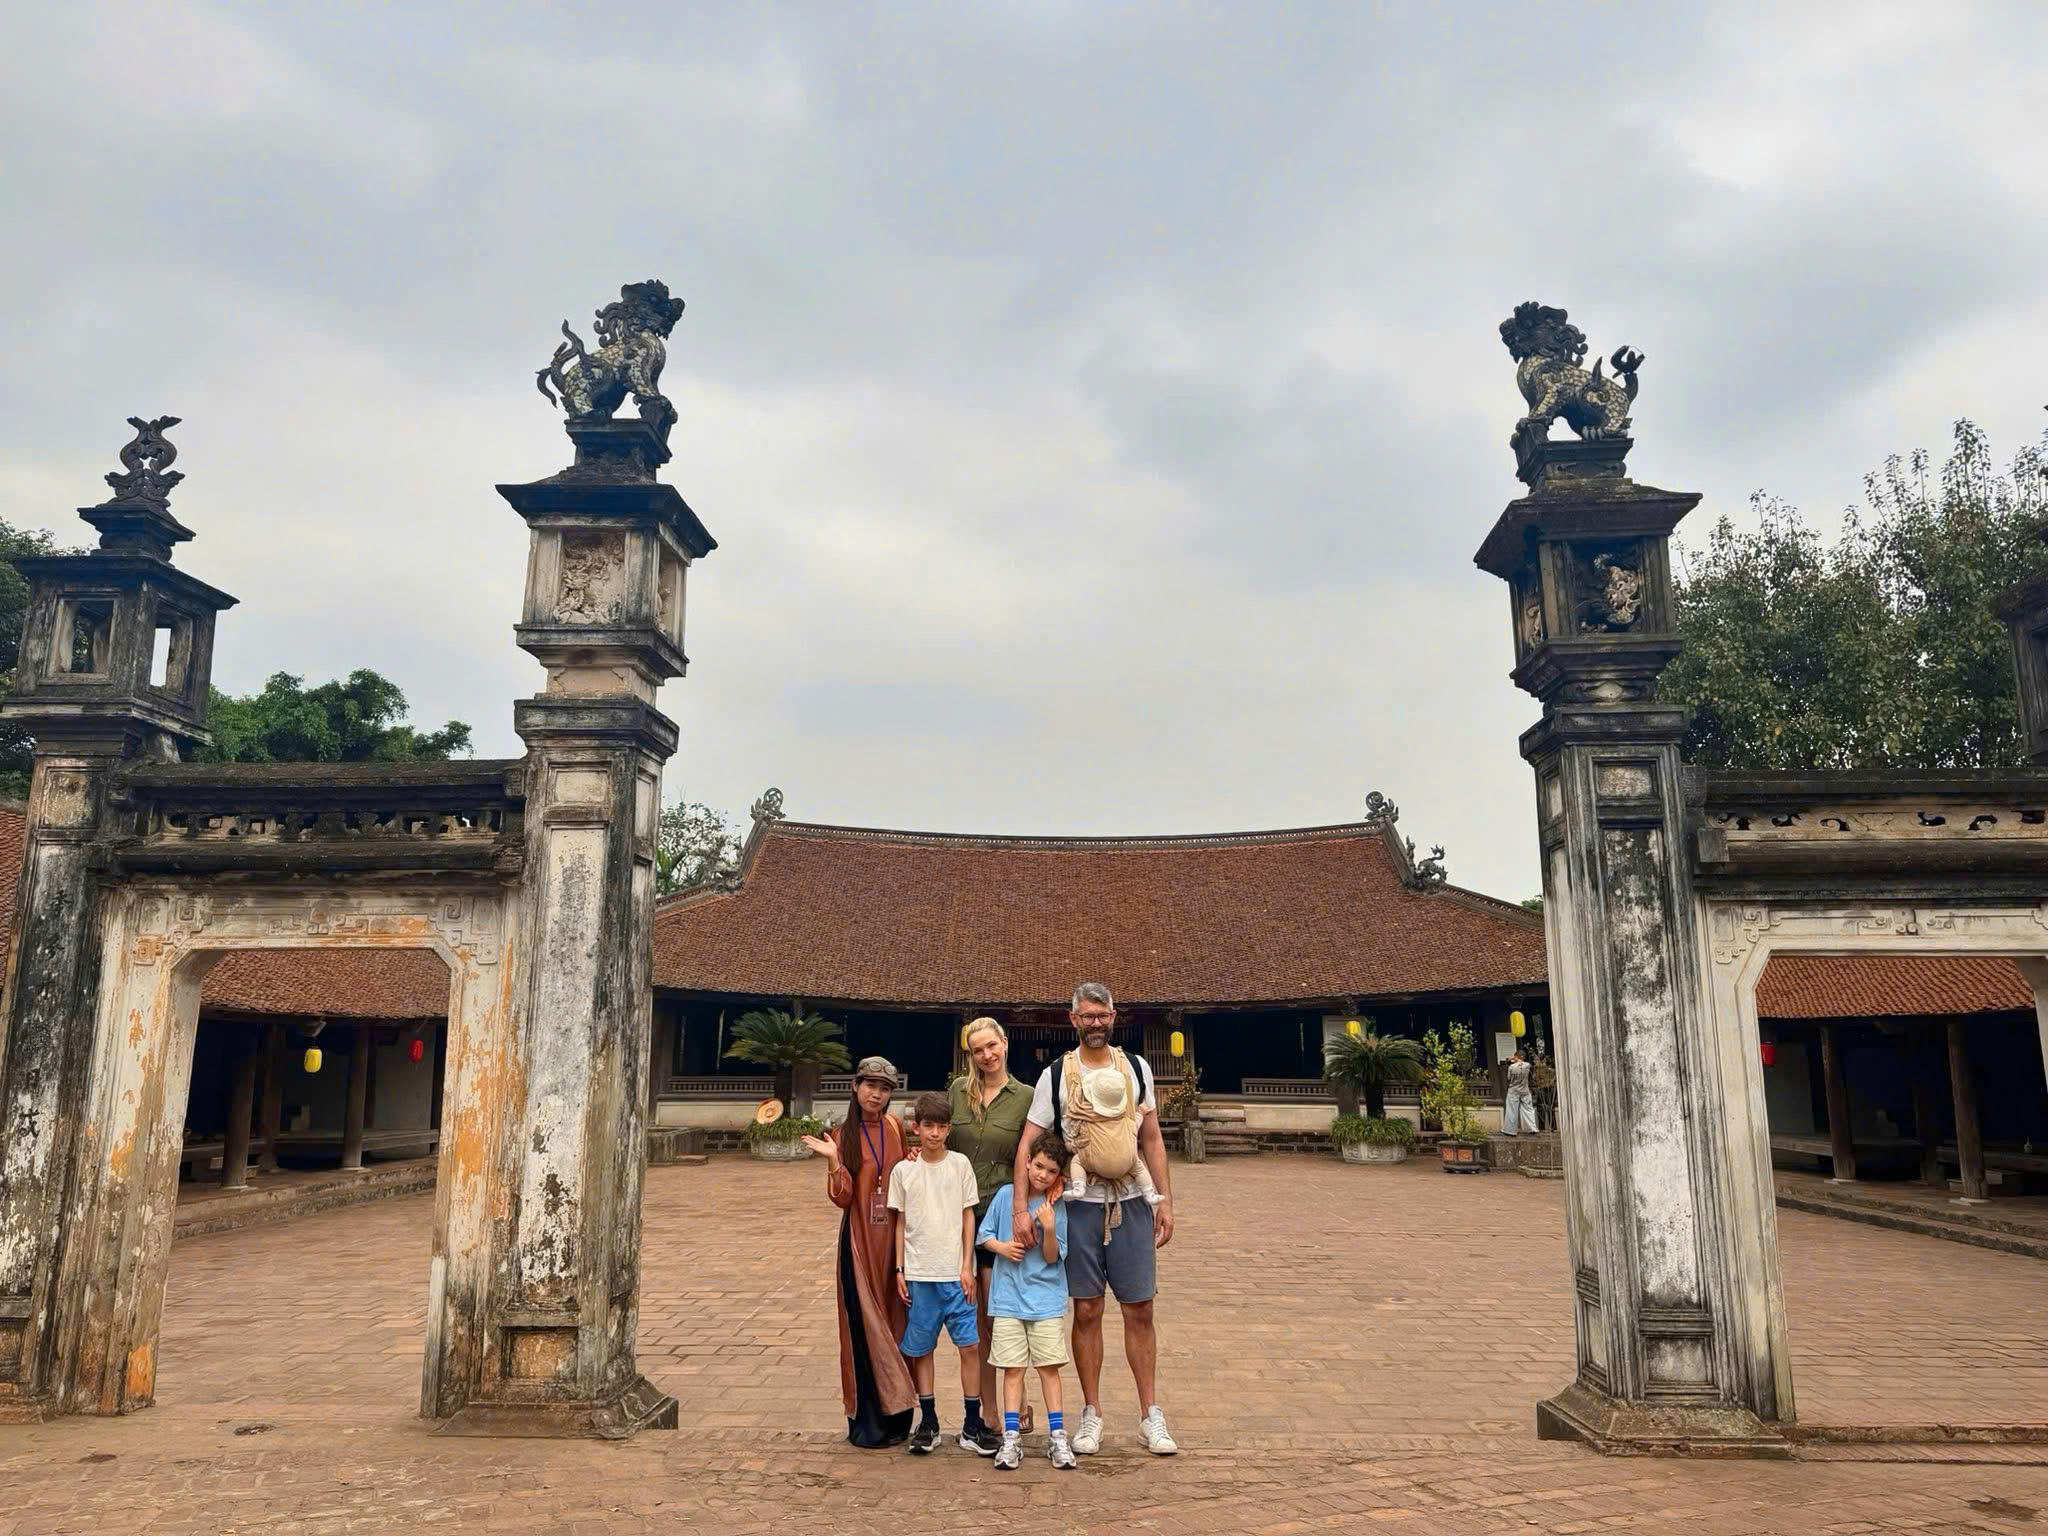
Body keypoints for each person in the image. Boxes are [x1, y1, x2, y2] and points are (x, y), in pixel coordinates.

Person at [1013, 980, 1178, 1457]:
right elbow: (1028, 1143)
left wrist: (1164, 1200)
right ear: (1073, 1019)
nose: (1096, 1023)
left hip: (1132, 1201)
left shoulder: (1137, 1069)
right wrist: (1022, 1207)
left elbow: (1151, 1139)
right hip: (1080, 1206)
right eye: (1087, 1015)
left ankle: (1150, 1413)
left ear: (1114, 1017)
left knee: (1139, 1307)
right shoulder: (1056, 1076)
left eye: (1103, 1015)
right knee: (1086, 1309)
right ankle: (1092, 1412)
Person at [802, 1056, 914, 1448]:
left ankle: (899, 1416)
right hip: (859, 1242)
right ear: (855, 1087)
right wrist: (834, 1160)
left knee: (897, 1322)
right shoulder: (842, 1134)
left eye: (884, 1089)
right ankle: (868, 1423)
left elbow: (903, 1178)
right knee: (862, 1327)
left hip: (895, 1243)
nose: (876, 1094)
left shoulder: (895, 1127)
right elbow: (842, 1197)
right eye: (870, 1086)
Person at [946, 1016, 1036, 1454]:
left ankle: (1020, 1401)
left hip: (1001, 1218)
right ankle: (989, 1411)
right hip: (960, 1217)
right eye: (977, 1049)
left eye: (992, 1046)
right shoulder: (956, 1093)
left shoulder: (1027, 1098)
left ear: (1005, 1043)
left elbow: (1038, 1157)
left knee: (1005, 1317)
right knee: (975, 1321)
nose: (986, 1055)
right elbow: (942, 1144)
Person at [888, 1090, 981, 1454]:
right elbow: (900, 1222)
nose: (935, 1133)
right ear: (916, 1128)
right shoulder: (904, 1170)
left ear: (949, 1129)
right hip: (919, 1274)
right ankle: (928, 1421)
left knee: (969, 1346)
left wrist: (967, 1265)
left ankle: (972, 1423)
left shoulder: (960, 1165)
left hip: (956, 1275)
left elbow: (967, 1215)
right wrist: (899, 1269)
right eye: (928, 1125)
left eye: (942, 1126)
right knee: (922, 1349)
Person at [975, 1132, 1075, 1470]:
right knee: (1012, 1369)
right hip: (1008, 1298)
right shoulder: (1007, 1196)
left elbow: (1052, 1257)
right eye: (1039, 1166)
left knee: (1048, 1368)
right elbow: (984, 1236)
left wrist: (1049, 1228)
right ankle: (1011, 1436)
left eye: (1051, 1171)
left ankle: (1057, 1435)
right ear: (1027, 1163)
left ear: (1059, 1175)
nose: (1043, 1175)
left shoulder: (1055, 1206)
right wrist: (1002, 1248)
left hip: (1045, 1299)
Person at [1502, 1049, 1537, 1136]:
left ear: (1516, 1056)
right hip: (1525, 1089)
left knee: (1512, 1110)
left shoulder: (1511, 1067)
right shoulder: (1527, 1065)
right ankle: (1531, 1128)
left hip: (1514, 1090)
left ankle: (1510, 1131)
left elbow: (1509, 1078)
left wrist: (1510, 1061)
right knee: (1528, 1109)